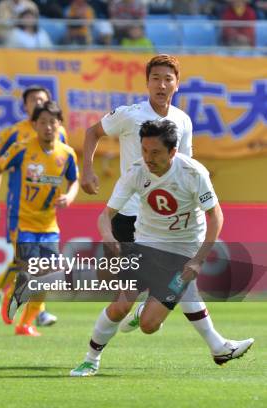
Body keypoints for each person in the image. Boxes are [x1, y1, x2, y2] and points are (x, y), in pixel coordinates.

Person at [79, 54, 253, 365]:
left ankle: (213, 344)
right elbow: (93, 132)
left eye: (167, 79)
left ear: (177, 83)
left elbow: (184, 167)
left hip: (171, 219)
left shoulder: (183, 121)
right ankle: (98, 352)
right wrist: (87, 171)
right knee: (128, 299)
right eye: (156, 78)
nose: (161, 84)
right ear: (147, 82)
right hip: (131, 214)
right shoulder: (130, 115)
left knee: (179, 278)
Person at [0, 101, 79, 335]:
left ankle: (26, 324)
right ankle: (10, 294)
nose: (48, 127)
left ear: (60, 125)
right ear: (34, 125)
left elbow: (75, 179)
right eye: (42, 122)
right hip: (23, 221)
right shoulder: (21, 148)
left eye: (52, 122)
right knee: (29, 269)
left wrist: (69, 196)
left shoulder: (67, 154)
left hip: (49, 225)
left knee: (48, 276)